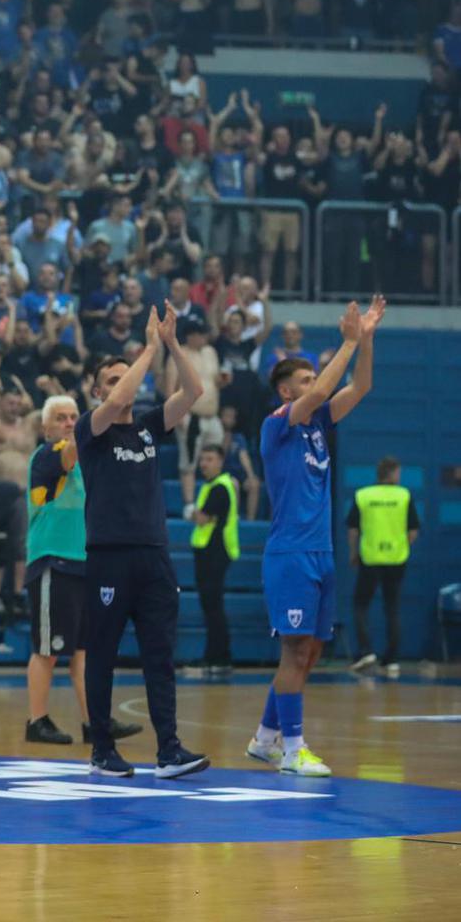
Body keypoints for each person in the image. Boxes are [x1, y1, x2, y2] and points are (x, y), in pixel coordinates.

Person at [247, 296, 384, 778]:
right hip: (290, 553)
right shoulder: (276, 425)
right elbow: (326, 387)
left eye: (313, 377)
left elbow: (360, 386)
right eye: (305, 380)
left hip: (321, 553)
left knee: (311, 652)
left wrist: (366, 340)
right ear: (287, 392)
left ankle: (265, 738)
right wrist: (347, 341)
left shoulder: (320, 424)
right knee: (294, 651)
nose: (315, 385)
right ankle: (293, 749)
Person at [74, 304, 210, 779]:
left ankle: (169, 750)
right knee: (103, 655)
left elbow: (194, 391)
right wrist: (149, 350)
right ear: (96, 391)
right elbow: (117, 402)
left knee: (160, 656)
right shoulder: (91, 429)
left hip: (154, 557)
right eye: (111, 380)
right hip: (109, 558)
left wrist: (170, 343)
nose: (121, 386)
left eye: (124, 377)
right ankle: (102, 749)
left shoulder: (149, 427)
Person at [24, 395, 143, 746]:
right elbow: (73, 449)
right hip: (53, 560)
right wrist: (96, 417)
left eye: (74, 416)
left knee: (83, 653)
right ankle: (37, 720)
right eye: (60, 417)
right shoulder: (47, 455)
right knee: (48, 648)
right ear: (45, 427)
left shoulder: (86, 463)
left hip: (86, 563)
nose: (68, 422)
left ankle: (95, 722)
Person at [348, 456, 418, 677]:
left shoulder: (364, 495)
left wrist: (353, 553)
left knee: (360, 605)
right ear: (393, 473)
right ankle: (392, 660)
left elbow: (353, 529)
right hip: (396, 559)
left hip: (370, 558)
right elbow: (413, 531)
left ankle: (366, 651)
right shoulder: (404, 495)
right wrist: (401, 547)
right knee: (392, 607)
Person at [189, 444, 239, 678]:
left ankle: (219, 657)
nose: (204, 464)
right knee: (211, 607)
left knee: (213, 607)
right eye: (202, 459)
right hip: (209, 552)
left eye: (209, 459)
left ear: (220, 461)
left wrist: (192, 513)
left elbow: (201, 518)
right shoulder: (213, 486)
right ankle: (214, 655)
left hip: (215, 553)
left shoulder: (220, 487)